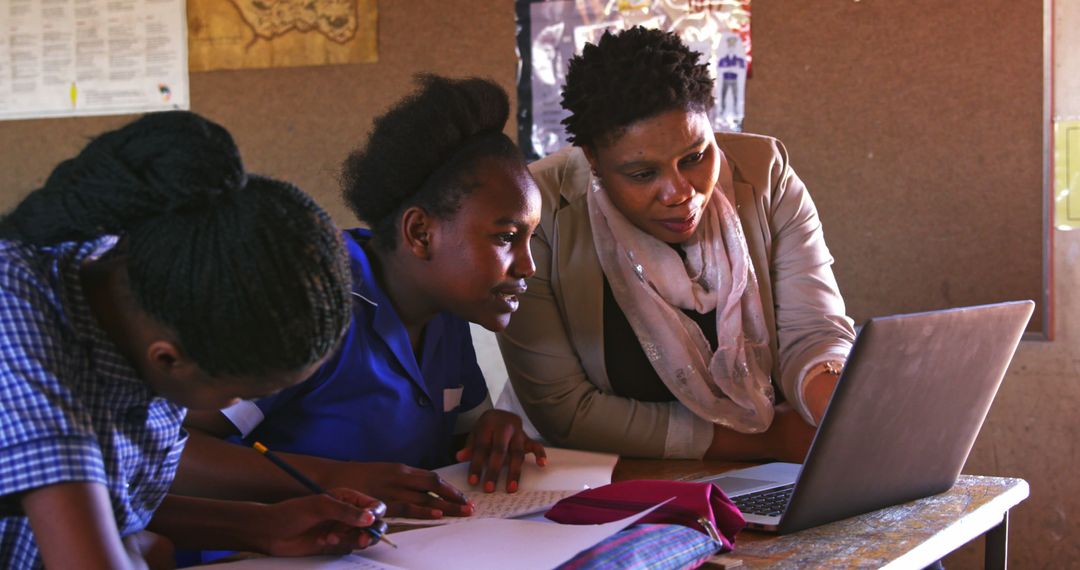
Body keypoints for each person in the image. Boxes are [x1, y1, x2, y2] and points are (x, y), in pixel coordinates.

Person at [0, 111, 387, 569]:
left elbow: (116, 503)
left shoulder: (140, 293)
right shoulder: (20, 324)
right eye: (239, 392)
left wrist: (263, 526)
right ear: (168, 358)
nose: (239, 403)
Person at [179, 75, 545, 526]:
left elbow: (460, 436)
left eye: (531, 239)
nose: (528, 266)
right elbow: (169, 450)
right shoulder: (311, 301)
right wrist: (330, 478)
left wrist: (494, 433)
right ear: (420, 233)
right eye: (507, 237)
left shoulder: (446, 310)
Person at [498, 27, 857, 461]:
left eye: (695, 157)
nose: (679, 192)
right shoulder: (542, 211)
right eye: (642, 174)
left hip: (767, 471)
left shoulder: (766, 176)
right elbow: (567, 411)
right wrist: (771, 442)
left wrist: (839, 411)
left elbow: (814, 333)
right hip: (597, 481)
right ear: (592, 160)